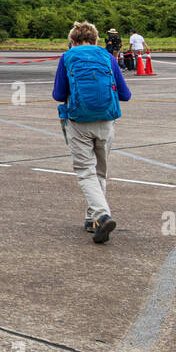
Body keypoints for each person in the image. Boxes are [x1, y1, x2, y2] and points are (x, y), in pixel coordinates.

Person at [52, 21, 132, 243]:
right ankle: (93, 220)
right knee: (100, 171)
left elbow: (58, 94)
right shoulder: (107, 57)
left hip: (79, 122)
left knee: (85, 171)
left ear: (72, 41)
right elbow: (125, 94)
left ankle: (101, 214)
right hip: (106, 122)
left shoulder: (67, 57)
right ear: (96, 40)